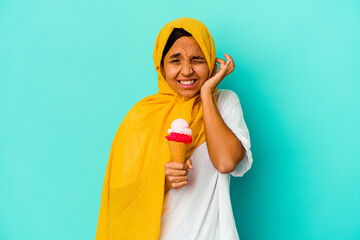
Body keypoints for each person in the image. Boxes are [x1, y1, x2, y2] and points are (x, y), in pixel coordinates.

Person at [96, 17, 253, 240]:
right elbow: (120, 195)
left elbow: (226, 162)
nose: (187, 70)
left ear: (209, 61)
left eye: (197, 59)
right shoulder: (140, 116)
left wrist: (207, 94)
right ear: (161, 66)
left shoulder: (224, 102)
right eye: (175, 61)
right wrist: (161, 179)